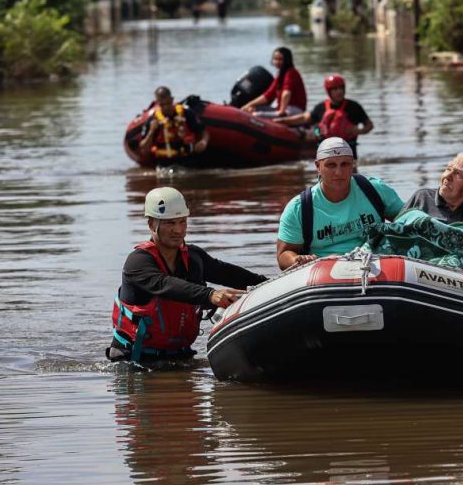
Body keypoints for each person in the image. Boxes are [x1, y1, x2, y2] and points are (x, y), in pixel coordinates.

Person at [109, 187, 268, 364]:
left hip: (180, 357)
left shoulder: (193, 257)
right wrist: (211, 295)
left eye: (182, 222)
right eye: (170, 223)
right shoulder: (137, 262)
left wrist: (267, 283)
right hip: (134, 361)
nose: (178, 230)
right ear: (152, 225)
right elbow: (165, 284)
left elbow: (228, 273)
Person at [276, 137, 403, 269]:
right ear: (318, 166)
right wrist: (298, 260)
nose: (339, 172)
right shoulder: (299, 208)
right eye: (331, 165)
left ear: (352, 164)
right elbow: (283, 254)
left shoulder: (374, 189)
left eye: (345, 164)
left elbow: (409, 220)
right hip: (323, 274)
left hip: (376, 264)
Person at [277, 74, 373, 158]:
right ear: (329, 91)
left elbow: (369, 125)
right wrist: (282, 121)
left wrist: (359, 131)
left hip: (349, 151)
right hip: (326, 152)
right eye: (335, 89)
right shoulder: (321, 108)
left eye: (341, 88)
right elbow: (303, 118)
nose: (339, 91)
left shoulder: (354, 107)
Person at [400, 152, 463, 223]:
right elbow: (395, 230)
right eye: (448, 169)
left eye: (457, 173)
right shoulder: (422, 198)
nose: (447, 176)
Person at [139, 86, 209, 160]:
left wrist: (203, 142)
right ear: (157, 103)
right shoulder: (153, 120)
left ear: (172, 99)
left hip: (187, 161)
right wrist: (151, 132)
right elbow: (144, 150)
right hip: (164, 165)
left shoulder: (186, 113)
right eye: (162, 105)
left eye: (168, 103)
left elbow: (203, 131)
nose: (166, 107)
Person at [240, 46, 307, 118]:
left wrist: (282, 111)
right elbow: (268, 95)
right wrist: (249, 105)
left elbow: (286, 93)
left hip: (294, 110)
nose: (277, 62)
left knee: (256, 115)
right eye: (275, 59)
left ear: (287, 60)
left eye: (280, 59)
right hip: (282, 109)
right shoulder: (280, 75)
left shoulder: (291, 72)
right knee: (252, 109)